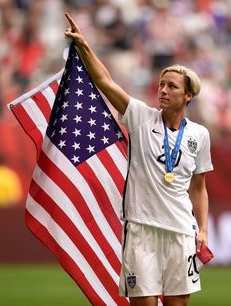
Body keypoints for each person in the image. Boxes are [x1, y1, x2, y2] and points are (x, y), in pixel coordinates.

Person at [64, 12, 213, 306]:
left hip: (181, 232)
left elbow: (199, 187)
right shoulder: (141, 117)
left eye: (172, 86)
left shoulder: (200, 135)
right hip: (141, 230)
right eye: (162, 84)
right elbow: (105, 82)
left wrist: (203, 230)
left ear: (188, 96)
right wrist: (84, 45)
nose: (164, 91)